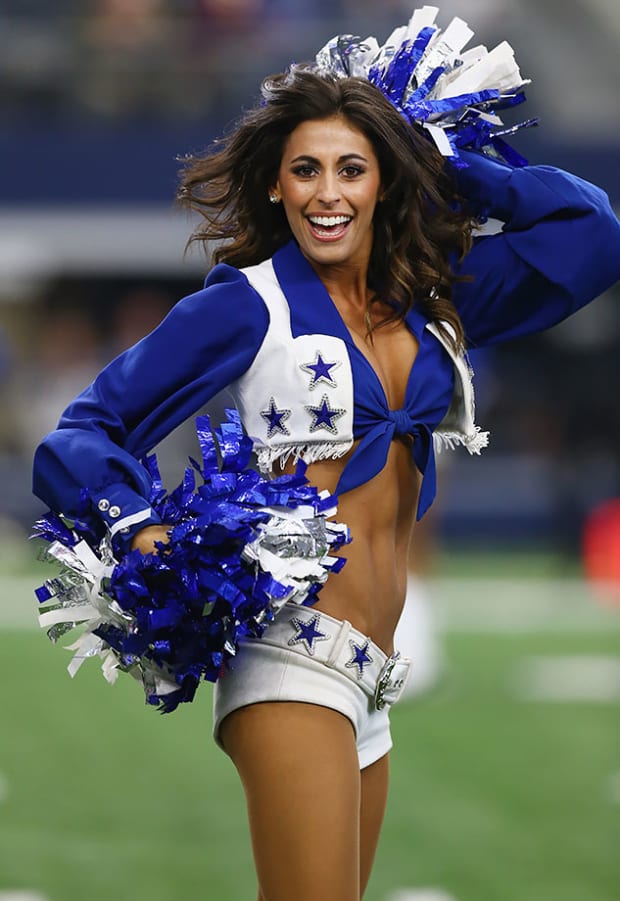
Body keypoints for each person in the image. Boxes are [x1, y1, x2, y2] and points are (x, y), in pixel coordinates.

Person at [32, 38, 620, 901]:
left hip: (372, 672)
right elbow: (82, 433)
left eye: (354, 168)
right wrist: (142, 529)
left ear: (384, 181)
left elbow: (593, 233)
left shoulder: (433, 294)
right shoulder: (246, 303)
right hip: (287, 657)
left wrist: (449, 169)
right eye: (306, 170)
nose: (328, 192)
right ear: (277, 184)